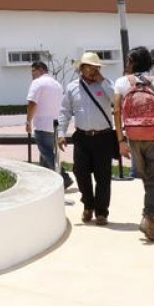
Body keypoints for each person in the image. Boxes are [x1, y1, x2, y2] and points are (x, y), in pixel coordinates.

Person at [114, 46, 154, 242]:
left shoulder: (122, 82)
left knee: (150, 181)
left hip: (133, 137)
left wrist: (121, 140)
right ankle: (148, 219)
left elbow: (117, 111)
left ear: (132, 62)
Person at [57, 53, 116, 226]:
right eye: (89, 67)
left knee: (103, 176)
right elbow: (65, 111)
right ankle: (88, 205)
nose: (92, 70)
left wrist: (103, 81)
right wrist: (61, 133)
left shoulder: (106, 84)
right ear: (81, 68)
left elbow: (116, 100)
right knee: (80, 173)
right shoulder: (72, 87)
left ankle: (101, 212)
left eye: (95, 67)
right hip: (82, 137)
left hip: (103, 137)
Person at [27, 61, 73, 188]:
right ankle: (46, 180)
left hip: (42, 124)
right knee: (47, 155)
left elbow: (32, 103)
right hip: (55, 124)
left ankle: (65, 178)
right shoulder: (57, 84)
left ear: (41, 70)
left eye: (33, 71)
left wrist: (28, 121)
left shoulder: (37, 83)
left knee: (47, 153)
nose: (32, 74)